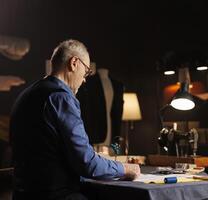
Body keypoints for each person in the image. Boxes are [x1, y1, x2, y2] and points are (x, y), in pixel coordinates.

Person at [9, 39, 140, 200]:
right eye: (86, 72)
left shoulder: (25, 95)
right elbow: (87, 163)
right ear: (74, 63)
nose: (85, 79)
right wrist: (124, 168)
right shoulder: (61, 98)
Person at [77, 67, 124, 154]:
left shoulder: (117, 85)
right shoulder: (89, 83)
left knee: (113, 155)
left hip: (112, 128)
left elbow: (117, 112)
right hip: (94, 130)